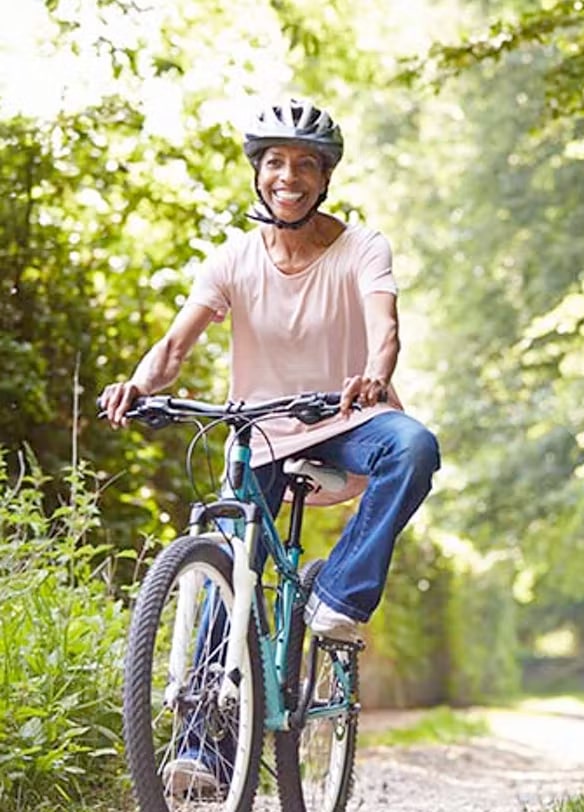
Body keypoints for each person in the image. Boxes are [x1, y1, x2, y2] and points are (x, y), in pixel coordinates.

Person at [99, 98, 441, 796]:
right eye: (276, 163)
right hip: (259, 431)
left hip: (346, 418)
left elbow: (386, 328)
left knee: (414, 447)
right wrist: (138, 384)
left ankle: (339, 599)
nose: (290, 176)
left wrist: (377, 375)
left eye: (305, 165)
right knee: (228, 560)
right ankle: (202, 750)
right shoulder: (233, 259)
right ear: (259, 175)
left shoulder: (361, 248)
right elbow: (173, 347)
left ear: (324, 179)